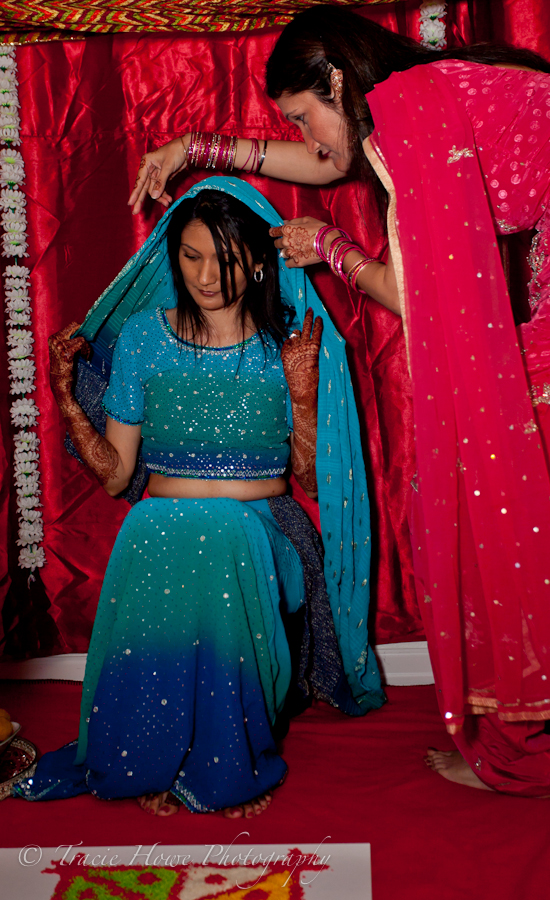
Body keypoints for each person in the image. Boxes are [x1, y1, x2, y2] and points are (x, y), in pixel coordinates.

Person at [127, 6, 550, 797]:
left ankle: (523, 752)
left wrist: (330, 249)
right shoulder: (433, 91)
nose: (309, 138)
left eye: (306, 115)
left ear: (337, 82)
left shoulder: (411, 115)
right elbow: (328, 164)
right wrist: (195, 147)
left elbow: (418, 296)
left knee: (510, 521)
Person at [14, 178, 384, 817]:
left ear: (260, 261)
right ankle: (152, 753)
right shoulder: (141, 339)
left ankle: (226, 755)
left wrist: (300, 396)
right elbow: (114, 474)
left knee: (217, 530)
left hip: (261, 529)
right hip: (169, 527)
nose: (208, 275)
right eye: (191, 256)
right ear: (171, 258)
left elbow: (313, 477)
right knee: (153, 524)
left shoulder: (290, 343)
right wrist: (68, 401)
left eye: (227, 257)